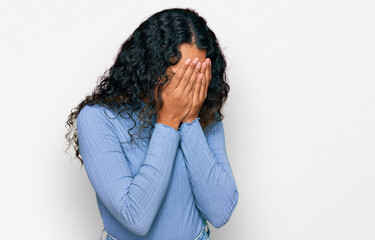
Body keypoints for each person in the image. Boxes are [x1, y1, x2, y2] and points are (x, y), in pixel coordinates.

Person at [65, 7, 239, 240]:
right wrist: (168, 123)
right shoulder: (97, 119)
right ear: (150, 67)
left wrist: (189, 120)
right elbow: (136, 218)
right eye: (182, 77)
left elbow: (219, 213)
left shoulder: (203, 110)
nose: (190, 88)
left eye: (197, 76)